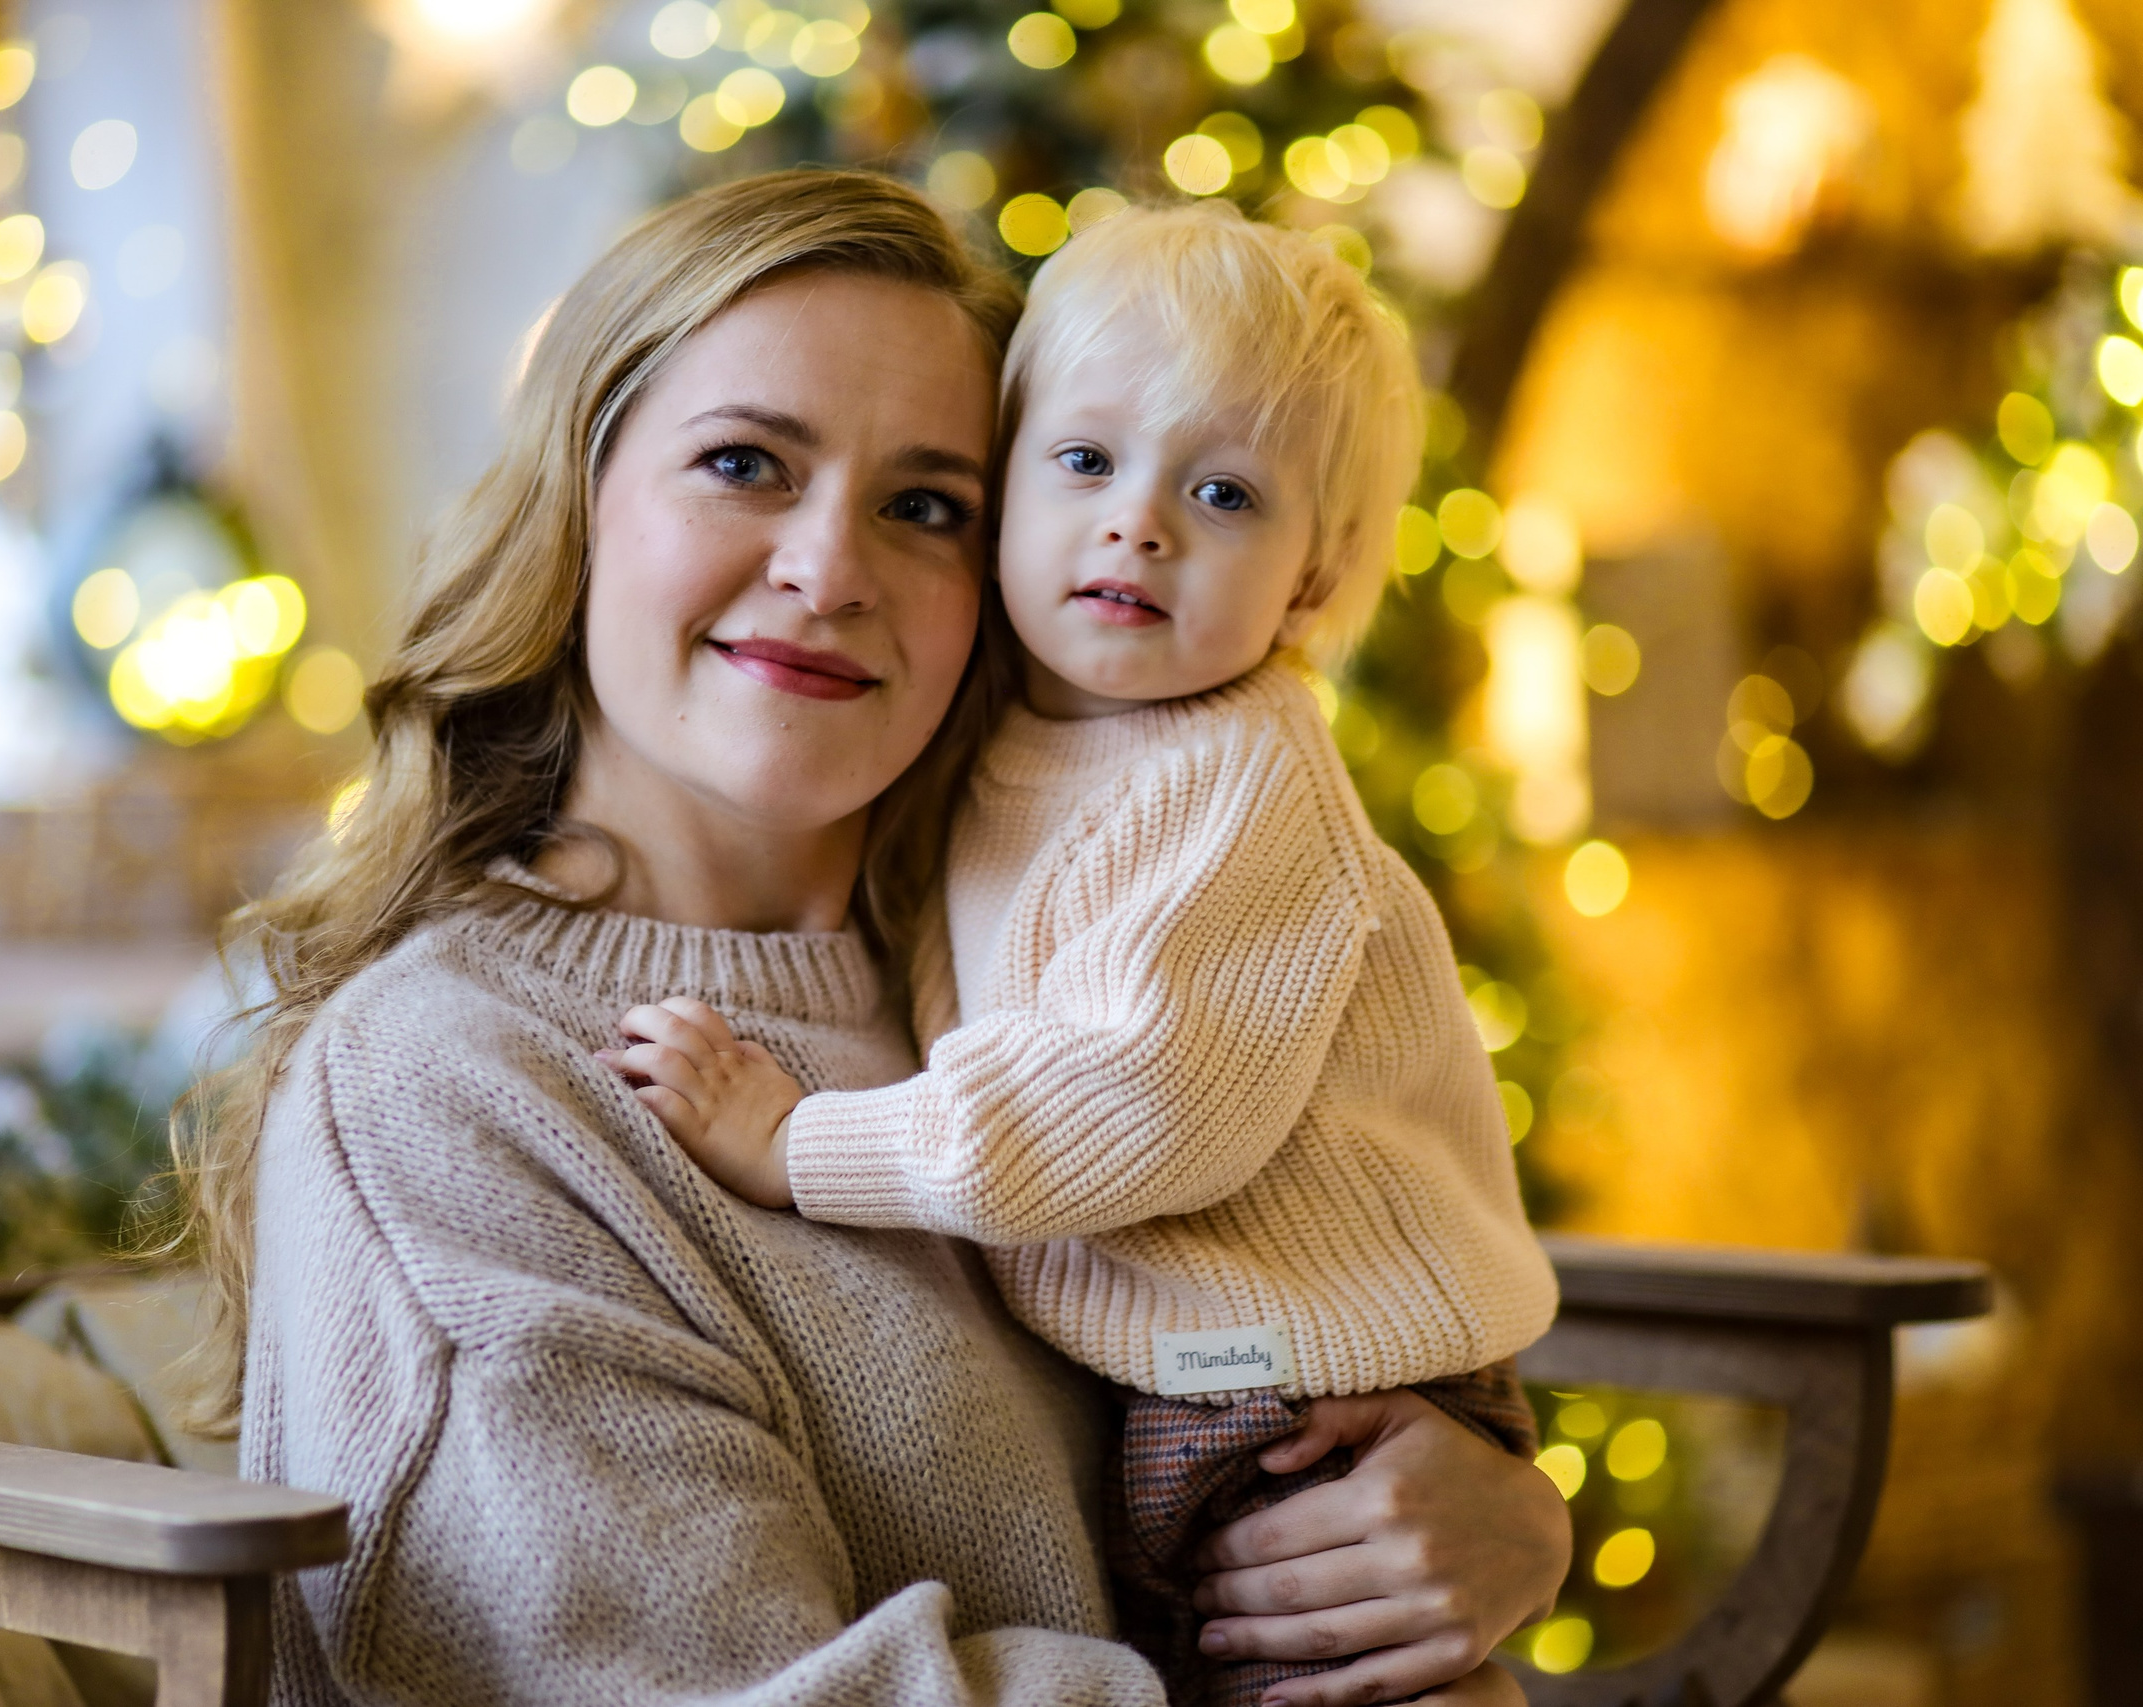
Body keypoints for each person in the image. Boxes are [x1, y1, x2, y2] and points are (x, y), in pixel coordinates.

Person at [185, 169, 1571, 1707]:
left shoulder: (1026, 971)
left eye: (926, 507)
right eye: (743, 464)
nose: (830, 569)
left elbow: (1267, 1310)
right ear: (577, 509)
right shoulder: (451, 1090)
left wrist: (1480, 1516)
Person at [609, 202, 1560, 1707]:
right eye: (1084, 462)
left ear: (1311, 587)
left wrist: (800, 1145)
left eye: (1228, 494)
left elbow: (1132, 1100)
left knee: (1320, 1666)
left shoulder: (1238, 782)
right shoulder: (996, 748)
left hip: (1304, 1390)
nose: (1141, 523)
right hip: (1191, 1377)